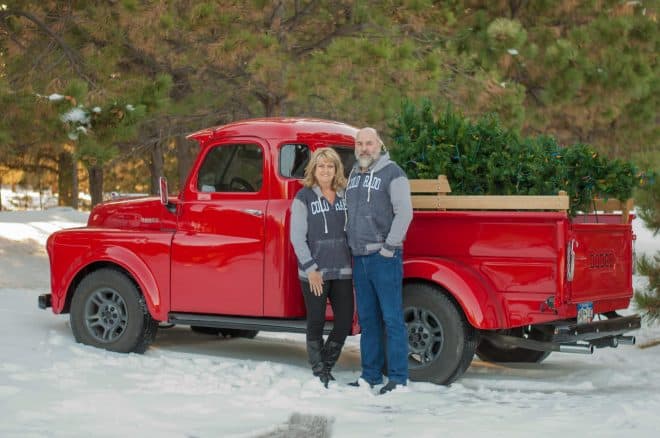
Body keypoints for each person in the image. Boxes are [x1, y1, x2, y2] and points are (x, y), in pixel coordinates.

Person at [345, 127, 413, 394]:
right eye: (360, 143)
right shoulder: (354, 174)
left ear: (379, 145)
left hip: (383, 258)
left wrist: (389, 247)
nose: (364, 148)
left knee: (392, 318)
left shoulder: (393, 172)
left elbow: (404, 213)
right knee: (368, 320)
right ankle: (370, 375)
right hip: (359, 258)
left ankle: (398, 378)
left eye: (369, 143)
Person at [290, 147, 354, 388]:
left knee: (344, 322)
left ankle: (325, 364)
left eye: (330, 166)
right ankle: (319, 370)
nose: (326, 170)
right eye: (321, 166)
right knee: (316, 321)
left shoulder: (344, 194)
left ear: (336, 169)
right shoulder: (303, 197)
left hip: (342, 269)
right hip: (314, 271)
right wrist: (311, 268)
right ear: (314, 169)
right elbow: (297, 237)